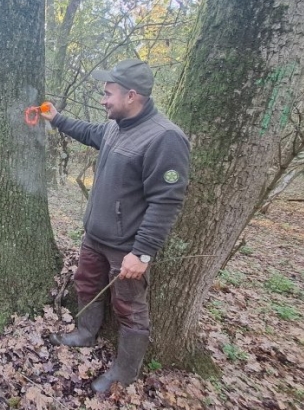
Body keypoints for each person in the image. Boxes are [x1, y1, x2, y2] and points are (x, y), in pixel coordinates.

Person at [40, 59, 190, 392]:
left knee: (130, 309)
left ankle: (125, 373)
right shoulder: (115, 125)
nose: (103, 99)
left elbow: (166, 201)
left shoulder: (165, 138)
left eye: (109, 93)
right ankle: (84, 333)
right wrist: (57, 118)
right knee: (86, 285)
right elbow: (91, 133)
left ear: (132, 95)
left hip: (128, 248)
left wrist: (143, 253)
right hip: (95, 237)